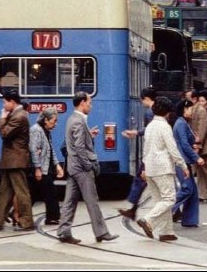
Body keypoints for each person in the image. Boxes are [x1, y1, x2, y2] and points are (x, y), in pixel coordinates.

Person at [57, 92, 117, 244]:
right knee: (92, 200)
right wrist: (88, 165)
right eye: (89, 102)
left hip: (72, 167)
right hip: (81, 168)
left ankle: (64, 231)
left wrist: (89, 135)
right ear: (82, 102)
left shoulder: (72, 119)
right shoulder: (79, 121)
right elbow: (79, 147)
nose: (91, 105)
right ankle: (101, 232)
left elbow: (72, 143)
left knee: (69, 201)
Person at [136, 96, 189, 242]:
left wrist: (144, 168)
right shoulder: (165, 127)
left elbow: (145, 149)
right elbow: (172, 149)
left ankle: (166, 231)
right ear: (168, 112)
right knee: (169, 199)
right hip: (163, 168)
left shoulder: (150, 126)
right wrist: (182, 165)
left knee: (160, 200)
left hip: (150, 168)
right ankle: (148, 219)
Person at [0, 90, 34, 232]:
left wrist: (2, 118)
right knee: (4, 192)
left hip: (15, 159)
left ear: (12, 102)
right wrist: (4, 119)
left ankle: (26, 222)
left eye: (5, 102)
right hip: (11, 160)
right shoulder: (16, 115)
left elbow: (5, 133)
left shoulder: (19, 116)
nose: (3, 105)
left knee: (21, 192)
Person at [118, 86, 156, 220]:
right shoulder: (157, 110)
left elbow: (151, 131)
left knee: (141, 180)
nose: (142, 104)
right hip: (155, 153)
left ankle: (133, 210)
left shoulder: (150, 113)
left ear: (146, 99)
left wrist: (135, 132)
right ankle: (132, 209)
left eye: (142, 101)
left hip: (152, 153)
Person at [29, 107, 64, 225]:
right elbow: (33, 149)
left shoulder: (46, 131)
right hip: (41, 168)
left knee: (34, 193)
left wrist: (57, 165)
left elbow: (50, 148)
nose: (55, 124)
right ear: (46, 120)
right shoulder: (36, 130)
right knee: (51, 193)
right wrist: (37, 168)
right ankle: (52, 217)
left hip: (46, 166)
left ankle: (16, 213)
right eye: (54, 121)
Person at [171, 98, 202, 227]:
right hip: (181, 161)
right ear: (184, 109)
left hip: (183, 160)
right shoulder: (181, 124)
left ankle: (190, 220)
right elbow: (184, 144)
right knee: (187, 188)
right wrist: (196, 157)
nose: (192, 111)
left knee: (193, 191)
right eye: (190, 109)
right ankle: (165, 210)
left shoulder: (183, 122)